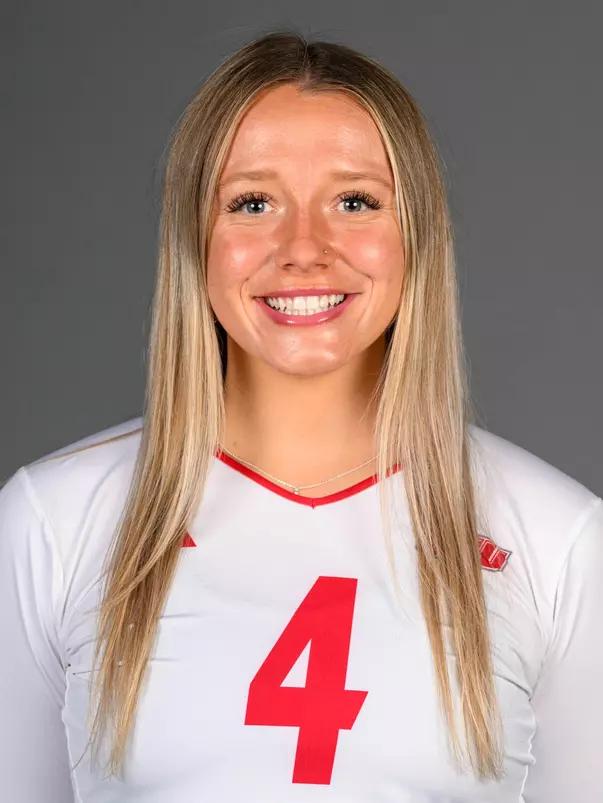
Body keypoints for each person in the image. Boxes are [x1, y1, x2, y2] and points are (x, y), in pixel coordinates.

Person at [0, 31, 601, 803]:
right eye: (252, 202)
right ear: (195, 237)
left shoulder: (555, 538)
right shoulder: (50, 521)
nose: (303, 248)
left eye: (354, 201)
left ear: (414, 233)